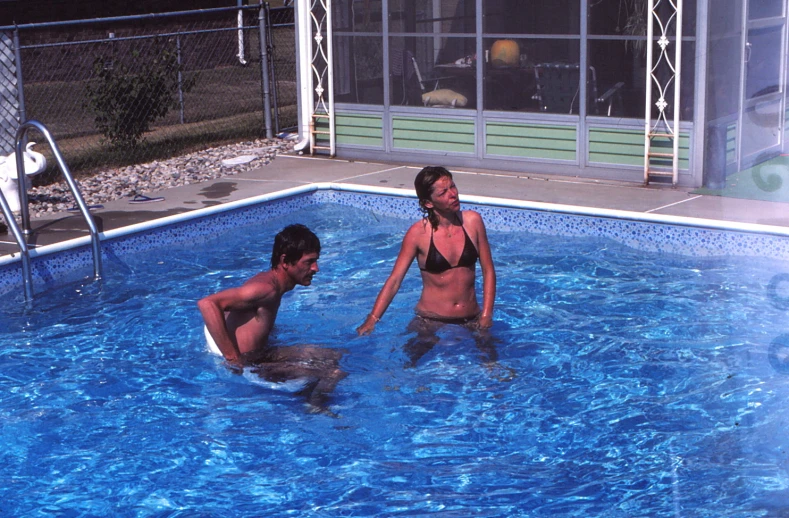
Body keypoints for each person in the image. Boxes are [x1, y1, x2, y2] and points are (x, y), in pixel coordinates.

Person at [356, 166, 499, 368]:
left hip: (472, 317)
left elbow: (488, 270)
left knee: (494, 368)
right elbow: (395, 280)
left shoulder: (473, 221)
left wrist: (486, 315)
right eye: (443, 192)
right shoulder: (417, 234)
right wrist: (372, 319)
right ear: (428, 203)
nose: (453, 194)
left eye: (453, 186)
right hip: (430, 320)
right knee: (406, 367)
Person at [198, 224, 346, 414]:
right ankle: (313, 408)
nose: (316, 268)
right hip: (252, 365)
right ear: (285, 261)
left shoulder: (271, 283)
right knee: (334, 373)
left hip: (262, 354)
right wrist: (232, 358)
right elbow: (207, 304)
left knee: (334, 356)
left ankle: (306, 394)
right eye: (309, 262)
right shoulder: (266, 289)